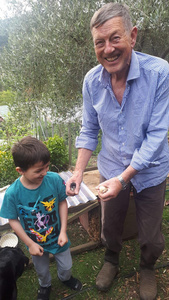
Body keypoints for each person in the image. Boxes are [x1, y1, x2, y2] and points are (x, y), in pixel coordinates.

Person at [66, 2, 169, 299]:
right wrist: (77, 172)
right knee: (110, 226)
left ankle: (147, 266)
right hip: (111, 168)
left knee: (150, 233)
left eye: (115, 38)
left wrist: (124, 179)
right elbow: (88, 130)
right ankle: (111, 258)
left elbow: (157, 136)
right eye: (100, 42)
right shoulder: (91, 82)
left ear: (133, 36)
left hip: (151, 171)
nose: (108, 49)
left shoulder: (160, 73)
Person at [0, 136, 82, 300]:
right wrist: (29, 243)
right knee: (42, 271)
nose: (44, 172)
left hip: (58, 238)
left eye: (46, 167)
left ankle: (65, 278)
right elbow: (13, 220)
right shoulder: (12, 193)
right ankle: (45, 286)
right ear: (20, 170)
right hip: (35, 243)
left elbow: (62, 202)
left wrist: (63, 231)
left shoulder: (53, 179)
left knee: (66, 266)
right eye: (38, 170)